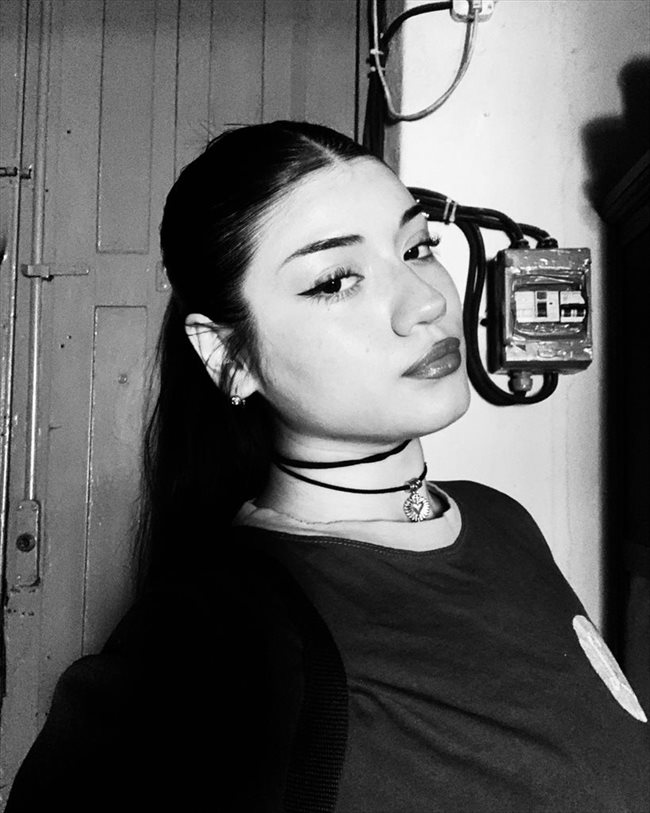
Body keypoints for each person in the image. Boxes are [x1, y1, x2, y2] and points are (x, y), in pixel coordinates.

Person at [6, 121, 649, 812]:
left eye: (418, 247)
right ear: (229, 356)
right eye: (337, 280)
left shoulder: (500, 518)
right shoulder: (213, 645)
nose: (428, 300)